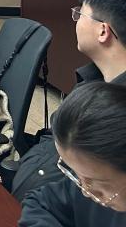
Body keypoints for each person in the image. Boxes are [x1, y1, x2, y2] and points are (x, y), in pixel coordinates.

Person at [13, 0, 126, 200]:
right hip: (29, 197)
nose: (75, 20)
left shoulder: (117, 114)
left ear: (103, 31)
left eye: (80, 13)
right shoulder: (92, 80)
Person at [19, 81, 126, 226]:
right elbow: (40, 203)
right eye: (76, 174)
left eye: (94, 181)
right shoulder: (92, 181)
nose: (85, 192)